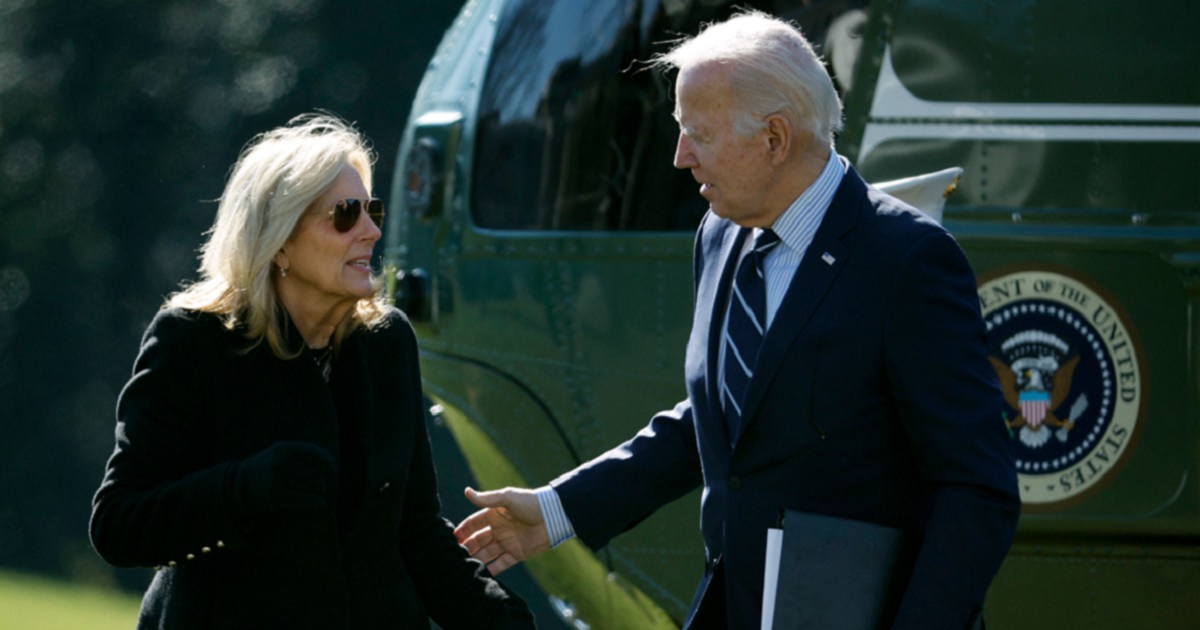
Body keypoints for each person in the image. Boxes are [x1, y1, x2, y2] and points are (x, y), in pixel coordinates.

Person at [454, 10, 1020, 630]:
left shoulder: (908, 260)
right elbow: (721, 420)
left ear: (774, 139)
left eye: (697, 132)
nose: (679, 157)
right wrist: (558, 510)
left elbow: (976, 490)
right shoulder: (719, 234)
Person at [89, 113, 535, 629]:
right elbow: (119, 525)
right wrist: (243, 487)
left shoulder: (387, 341)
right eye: (345, 214)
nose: (371, 231)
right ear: (278, 241)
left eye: (373, 209)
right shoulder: (194, 339)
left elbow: (413, 529)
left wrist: (501, 619)